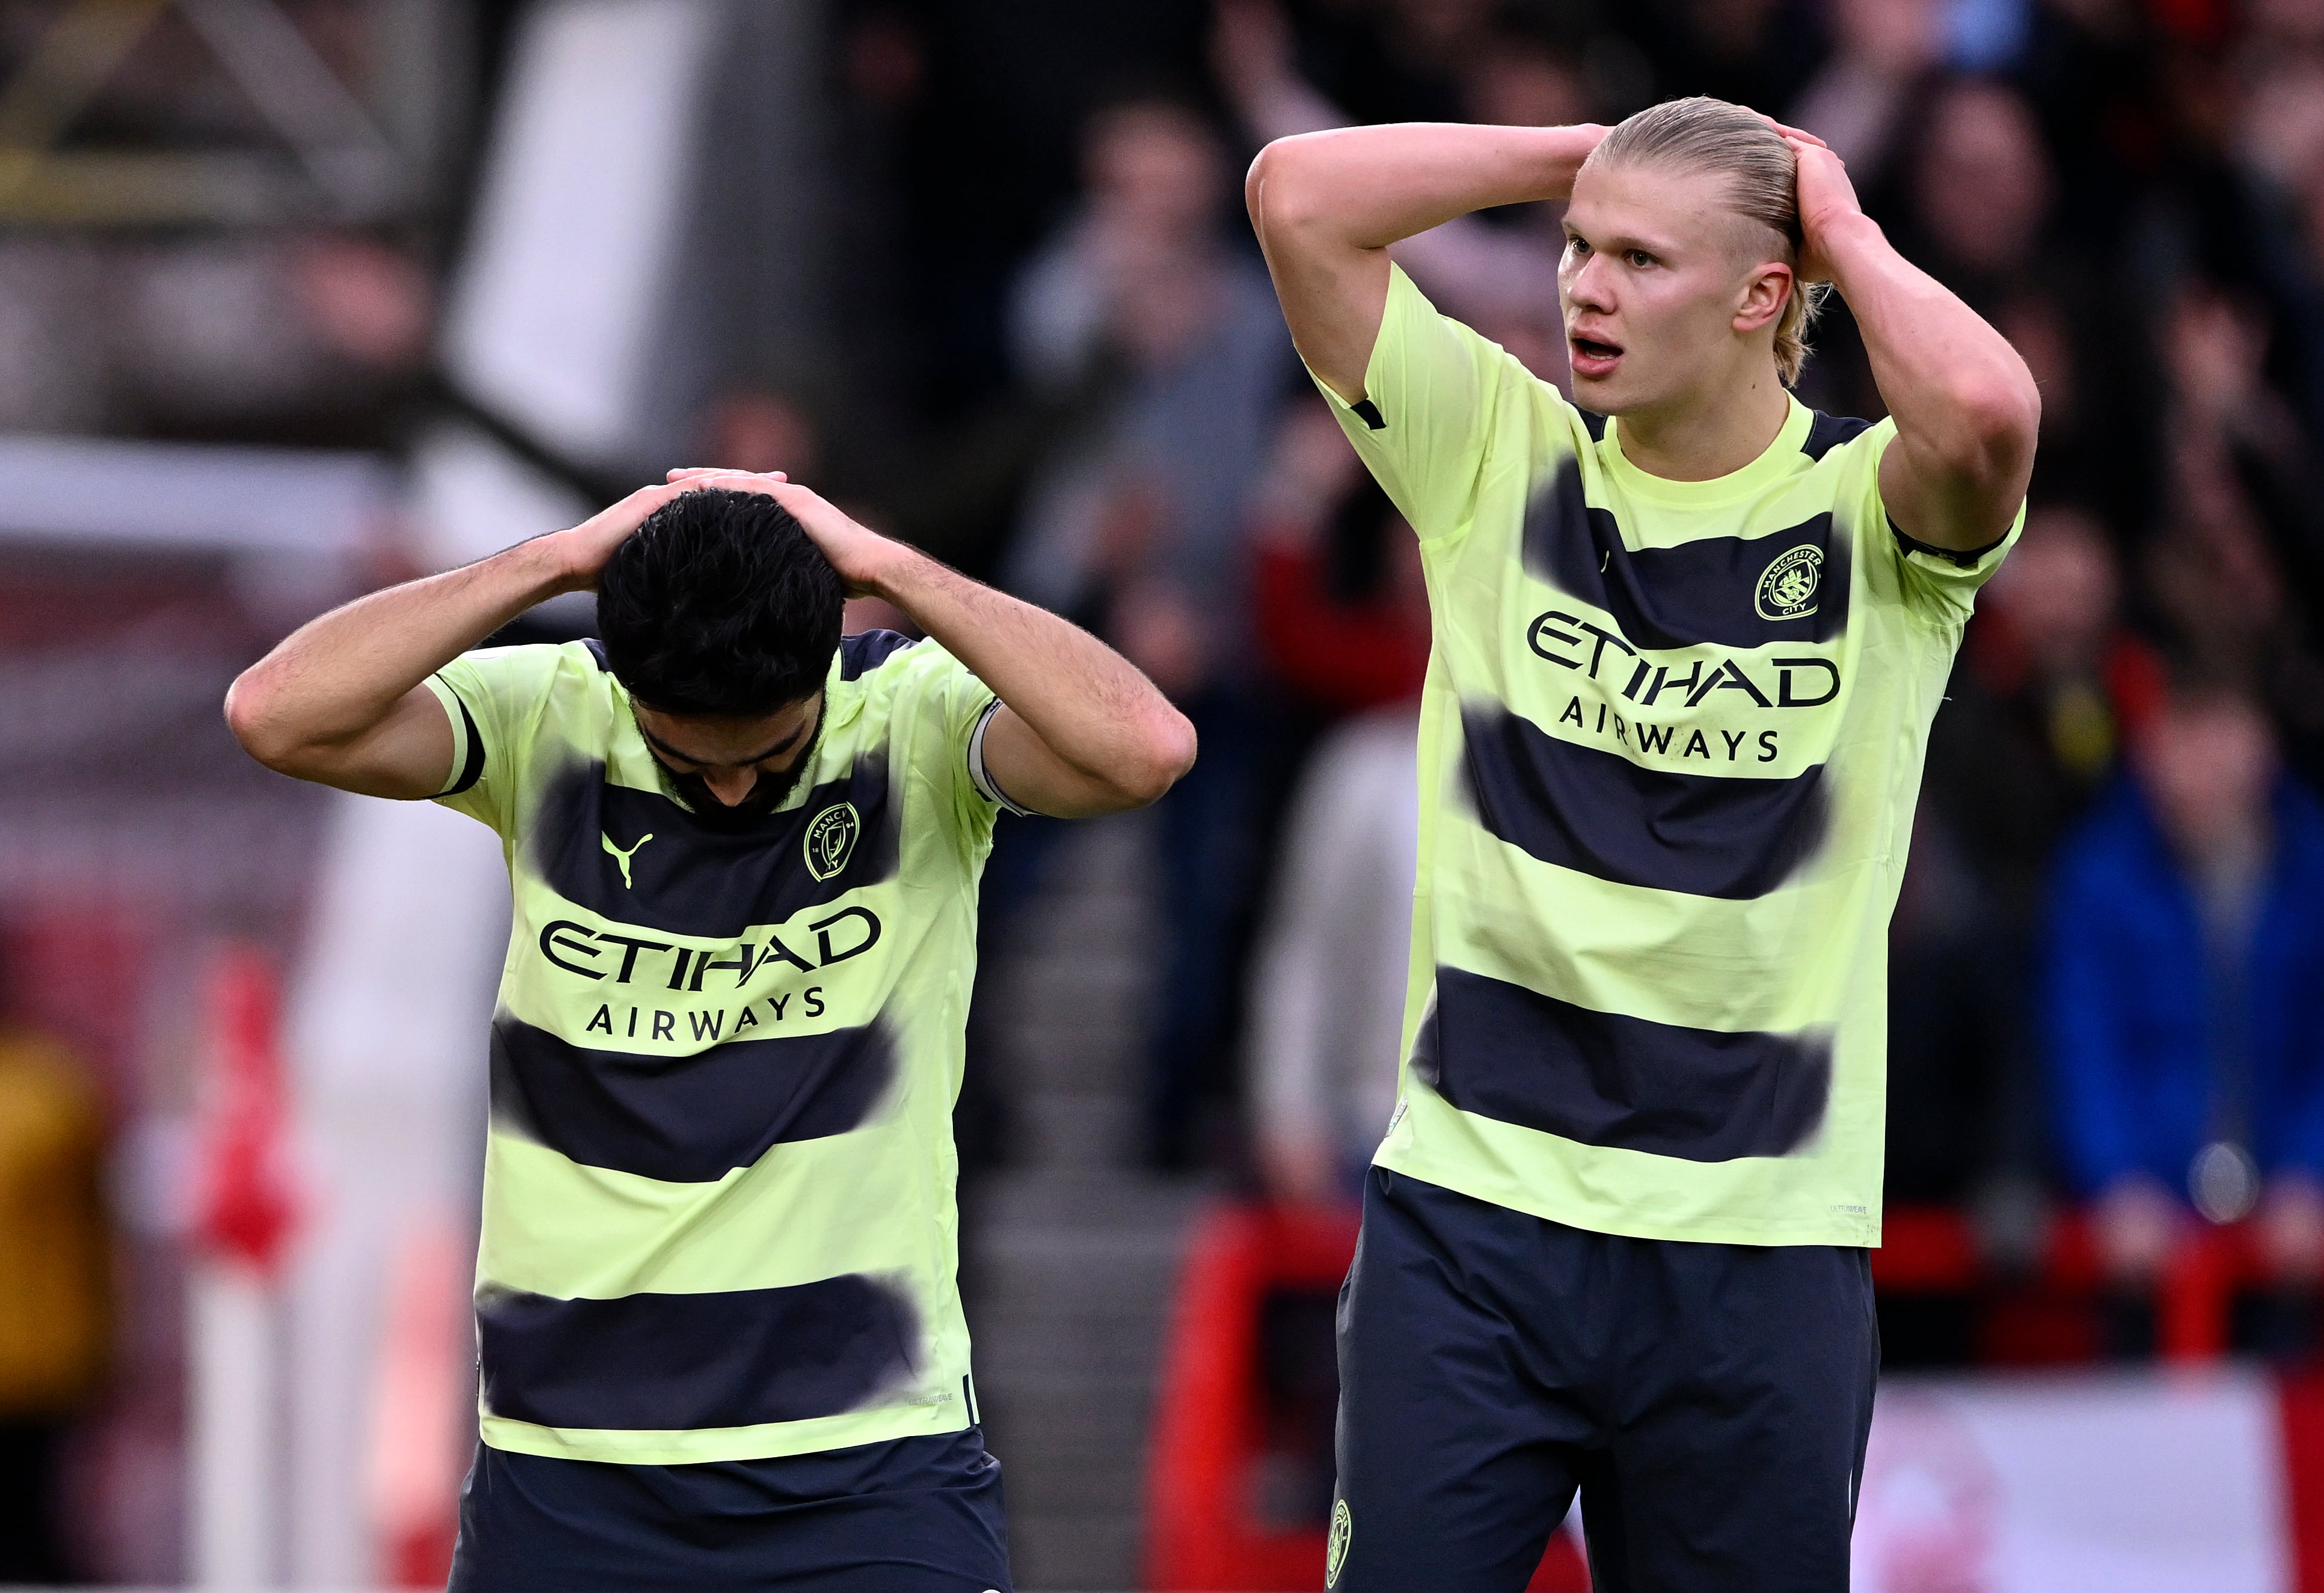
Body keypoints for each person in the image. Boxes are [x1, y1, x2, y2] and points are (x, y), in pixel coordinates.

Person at [1247, 94, 2038, 1589]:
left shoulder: (1870, 515)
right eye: (1575, 251)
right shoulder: (1496, 453)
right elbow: (1296, 195)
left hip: (1760, 1249)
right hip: (1473, 1228)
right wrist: (1599, 151)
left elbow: (1991, 414)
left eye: (1641, 261)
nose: (1585, 290)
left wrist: (1840, 229)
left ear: (1761, 297)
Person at [223, 473, 1195, 1591]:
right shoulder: (551, 717)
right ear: (630, 688)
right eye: (689, 761)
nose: (732, 793)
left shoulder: (913, 722)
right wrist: (553, 562)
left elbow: (1146, 747)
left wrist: (892, 569)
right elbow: (273, 712)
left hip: (869, 1467)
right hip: (571, 1474)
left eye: (770, 757)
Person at [2046, 686, 2324, 1357]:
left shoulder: (2312, 865)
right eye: (2174, 734)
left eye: (2213, 732)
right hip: (2146, 1239)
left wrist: (2309, 1172)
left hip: (2287, 1233)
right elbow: (2084, 1043)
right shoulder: (2098, 873)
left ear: (2260, 741)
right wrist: (2117, 1181)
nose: (2191, 763)